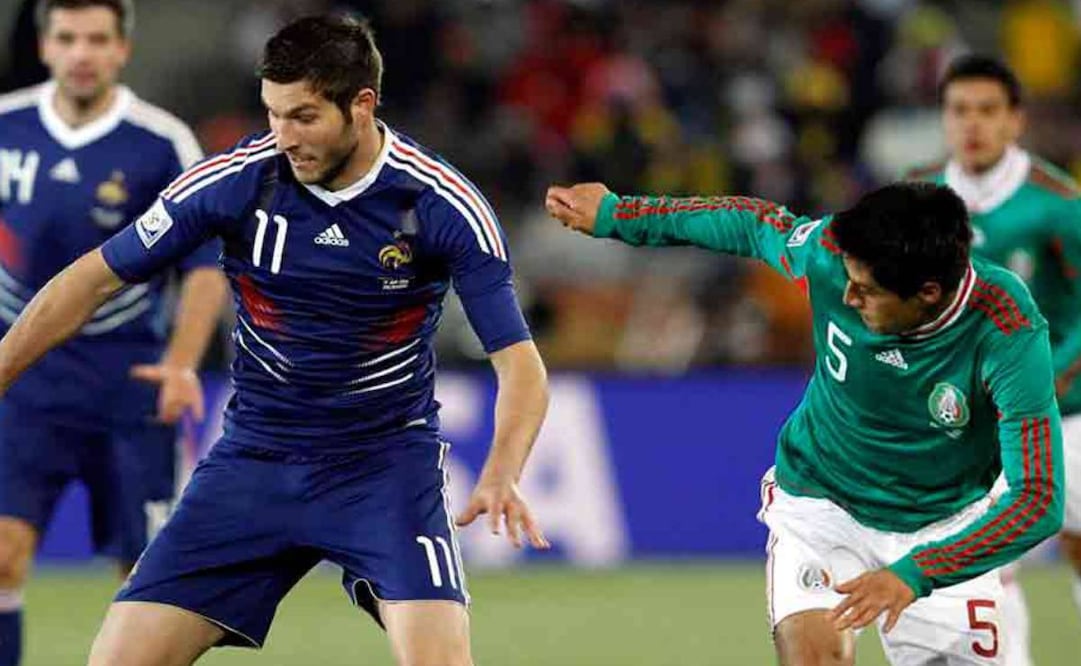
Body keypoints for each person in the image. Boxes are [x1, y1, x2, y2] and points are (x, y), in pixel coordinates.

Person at [0, 14, 548, 666]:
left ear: (362, 104)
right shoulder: (236, 180)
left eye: (303, 117)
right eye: (272, 114)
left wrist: (502, 472)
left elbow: (521, 367)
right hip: (253, 461)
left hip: (382, 468)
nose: (282, 136)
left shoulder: (441, 204)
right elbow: (89, 281)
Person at [546, 181, 1063, 664]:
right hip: (822, 502)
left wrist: (916, 572)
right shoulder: (832, 253)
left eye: (866, 291)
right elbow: (750, 223)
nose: (848, 296)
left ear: (929, 293)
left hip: (943, 527)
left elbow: (1038, 498)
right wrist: (619, 215)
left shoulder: (1007, 330)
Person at [0, 1, 228, 664]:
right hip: (23, 383)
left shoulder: (161, 142)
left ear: (122, 49)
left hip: (131, 386)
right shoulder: (7, 127)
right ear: (44, 46)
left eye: (97, 39)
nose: (81, 53)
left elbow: (203, 270)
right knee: (3, 554)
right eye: (67, 38)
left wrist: (183, 363)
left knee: (144, 580)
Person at [905, 54, 1081, 666]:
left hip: (1065, 411)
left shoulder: (1058, 203)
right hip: (963, 415)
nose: (972, 124)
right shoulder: (918, 193)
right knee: (987, 562)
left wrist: (1046, 379)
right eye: (959, 110)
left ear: (1015, 121)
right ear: (944, 118)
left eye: (987, 111)